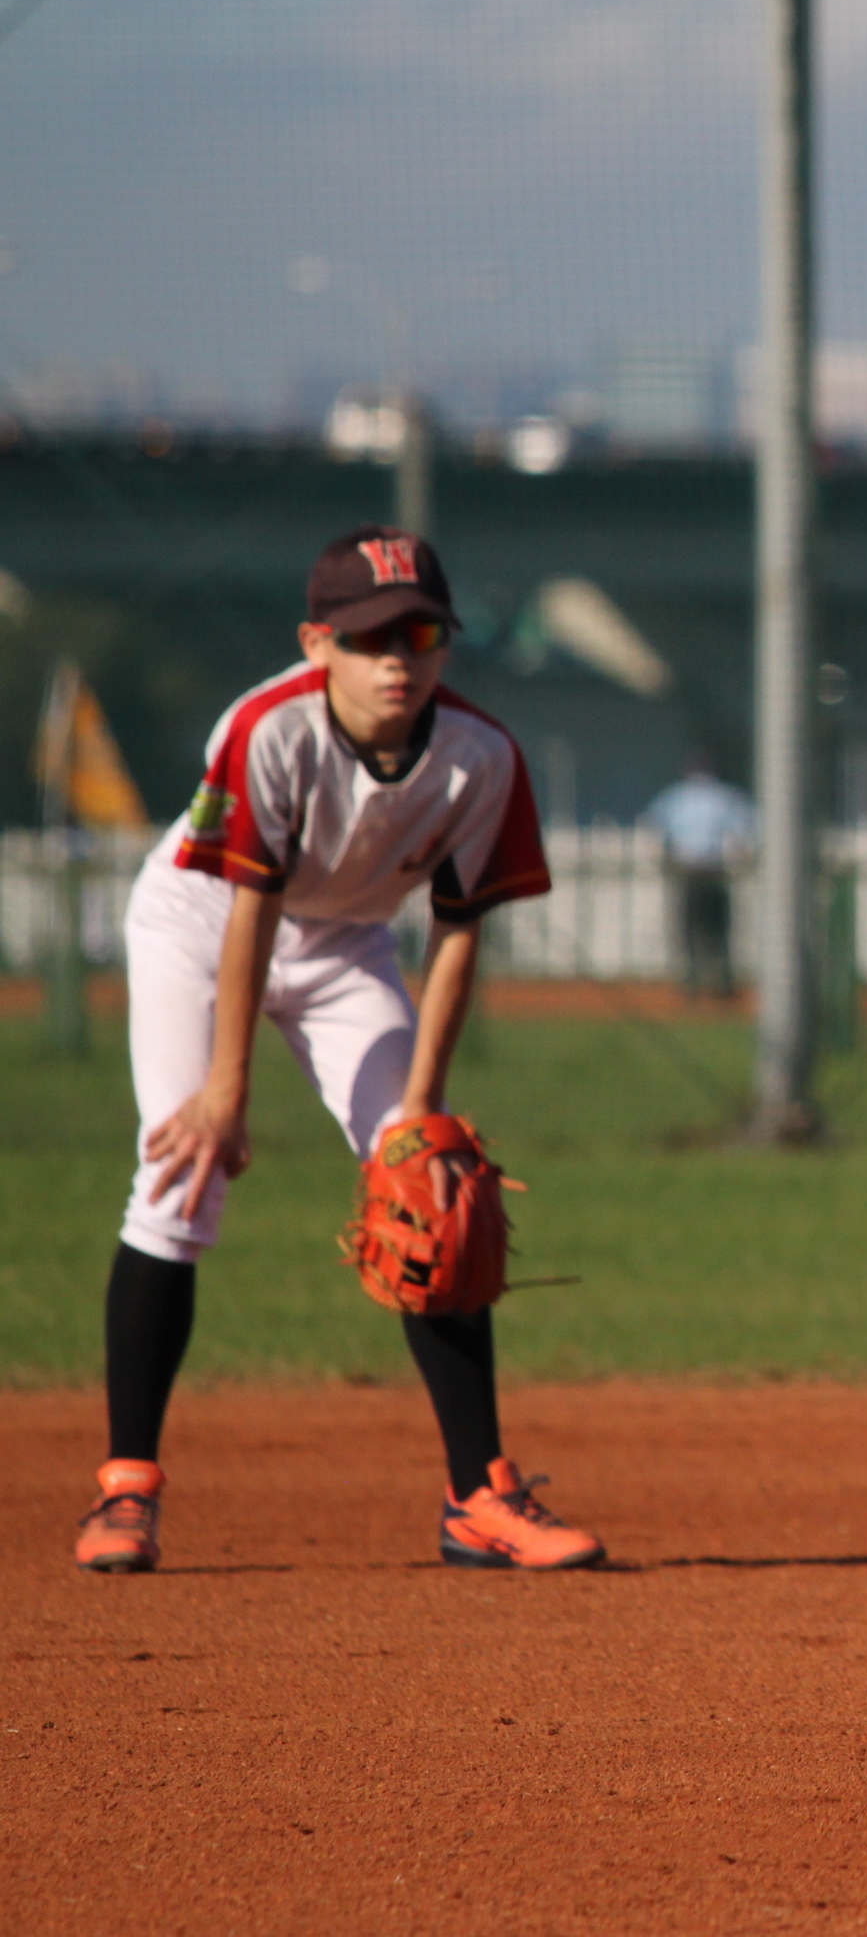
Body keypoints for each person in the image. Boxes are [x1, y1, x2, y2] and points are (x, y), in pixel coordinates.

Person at [71, 526, 605, 1576]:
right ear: (317, 644)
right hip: (199, 922)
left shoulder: (481, 757)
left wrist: (422, 1112)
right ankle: (126, 1490)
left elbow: (458, 935)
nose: (397, 658)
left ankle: (478, 1498)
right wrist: (226, 1091)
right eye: (369, 638)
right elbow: (249, 911)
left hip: (347, 944)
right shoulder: (269, 729)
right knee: (179, 1178)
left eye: (420, 633)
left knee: (435, 1187)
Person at [643, 754, 758, 999]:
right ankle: (721, 983)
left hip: (689, 869)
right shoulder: (724, 796)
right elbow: (745, 828)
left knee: (689, 930)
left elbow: (655, 826)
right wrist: (742, 856)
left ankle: (693, 983)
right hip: (714, 869)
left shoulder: (677, 796)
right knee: (718, 930)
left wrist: (664, 855)